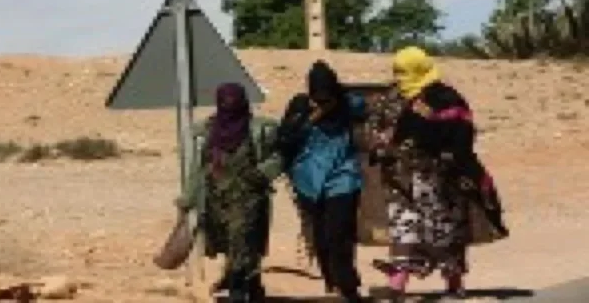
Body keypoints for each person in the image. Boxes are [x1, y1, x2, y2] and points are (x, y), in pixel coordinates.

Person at [366, 46, 508, 300]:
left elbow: (461, 133)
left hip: (437, 176)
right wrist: (381, 142)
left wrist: (435, 140)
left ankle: (453, 282)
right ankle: (397, 286)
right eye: (396, 70)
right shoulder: (389, 98)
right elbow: (373, 129)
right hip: (397, 175)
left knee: (441, 227)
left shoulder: (444, 96)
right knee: (402, 226)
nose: (398, 76)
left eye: (403, 71)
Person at [269, 60, 366, 302]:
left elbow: (365, 110)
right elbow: (284, 138)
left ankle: (348, 286)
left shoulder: (348, 103)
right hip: (308, 179)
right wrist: (313, 116)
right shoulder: (300, 105)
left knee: (340, 234)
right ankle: (331, 283)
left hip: (343, 177)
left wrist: (338, 105)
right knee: (320, 236)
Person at [175, 82, 278, 303]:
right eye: (224, 101)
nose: (229, 106)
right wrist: (187, 199)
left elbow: (279, 156)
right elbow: (198, 168)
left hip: (248, 200)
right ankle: (252, 283)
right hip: (216, 201)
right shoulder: (208, 131)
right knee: (230, 244)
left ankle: (237, 291)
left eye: (233, 101)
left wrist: (262, 173)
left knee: (241, 242)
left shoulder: (260, 129)